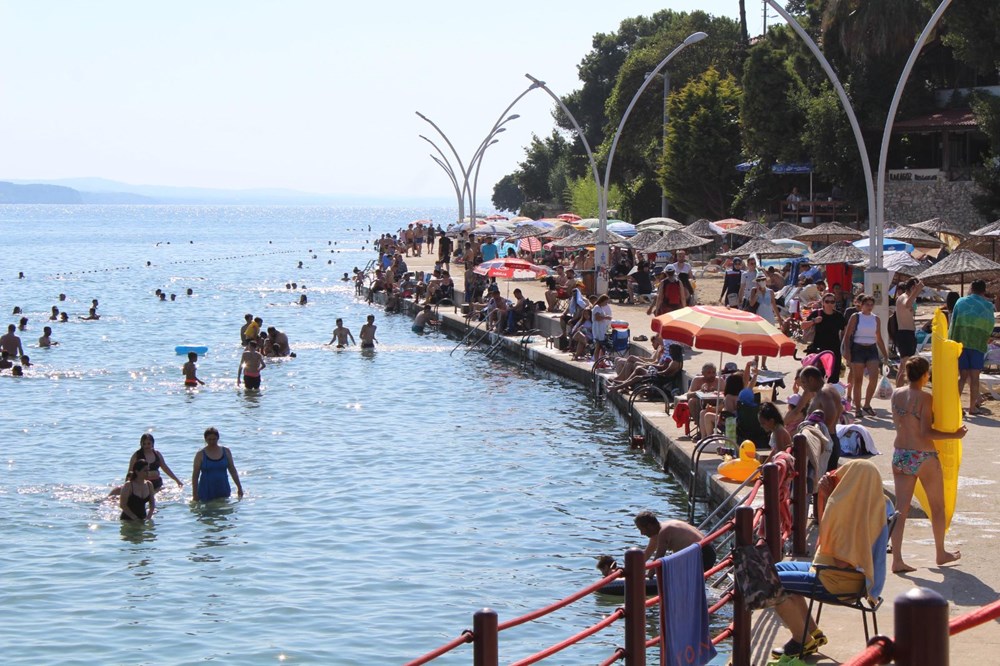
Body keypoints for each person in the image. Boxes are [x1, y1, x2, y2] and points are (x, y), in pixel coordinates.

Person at [769, 460, 888, 659]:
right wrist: (824, 496)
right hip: (842, 575)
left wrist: (827, 499)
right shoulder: (873, 504)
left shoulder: (848, 513)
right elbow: (828, 539)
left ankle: (802, 640)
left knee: (769, 581)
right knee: (778, 568)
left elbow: (841, 560)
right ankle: (812, 632)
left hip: (835, 581)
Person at [889, 356, 967, 573]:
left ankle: (897, 560)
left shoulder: (896, 394)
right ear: (925, 375)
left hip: (901, 454)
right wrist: (955, 435)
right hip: (923, 455)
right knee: (937, 507)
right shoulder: (925, 398)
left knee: (900, 510)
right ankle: (940, 553)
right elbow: (926, 432)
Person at [949, 279, 995, 415]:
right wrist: (984, 339)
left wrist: (952, 341)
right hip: (978, 344)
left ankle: (954, 407)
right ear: (984, 290)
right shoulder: (988, 306)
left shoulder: (960, 302)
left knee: (962, 376)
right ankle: (972, 408)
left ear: (971, 288)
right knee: (975, 377)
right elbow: (989, 326)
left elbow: (953, 322)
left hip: (961, 344)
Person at [842, 294, 889, 419]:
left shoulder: (876, 319)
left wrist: (885, 354)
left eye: (871, 304)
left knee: (873, 378)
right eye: (867, 304)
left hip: (872, 349)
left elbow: (878, 337)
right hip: (858, 348)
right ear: (861, 305)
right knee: (858, 381)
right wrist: (847, 351)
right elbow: (847, 336)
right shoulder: (855, 317)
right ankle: (857, 408)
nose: (869, 307)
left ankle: (867, 404)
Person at [789, 366, 843, 470]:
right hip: (829, 441)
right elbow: (840, 409)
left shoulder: (824, 393)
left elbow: (830, 416)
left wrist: (817, 437)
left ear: (811, 379)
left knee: (822, 482)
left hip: (826, 443)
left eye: (804, 382)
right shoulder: (828, 390)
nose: (803, 387)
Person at [634, 511, 715, 572]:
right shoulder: (660, 530)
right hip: (708, 548)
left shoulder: (664, 531)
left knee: (687, 583)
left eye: (641, 530)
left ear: (649, 526)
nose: (642, 533)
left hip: (703, 554)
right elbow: (647, 553)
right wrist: (633, 569)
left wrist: (649, 575)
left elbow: (658, 558)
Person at [802, 292, 846, 384]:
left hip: (834, 350)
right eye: (827, 301)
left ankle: (830, 396)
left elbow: (845, 331)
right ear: (823, 303)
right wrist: (814, 321)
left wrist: (846, 347)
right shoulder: (817, 313)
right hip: (818, 348)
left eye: (832, 302)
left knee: (833, 377)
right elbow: (803, 326)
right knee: (817, 376)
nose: (830, 304)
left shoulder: (838, 316)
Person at [191, 427, 243, 502]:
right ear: (205, 439)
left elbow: (232, 470)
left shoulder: (226, 451)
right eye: (209, 439)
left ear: (218, 438)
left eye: (214, 439)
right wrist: (195, 494)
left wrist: (239, 487)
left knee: (224, 510)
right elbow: (195, 476)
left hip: (223, 488)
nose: (212, 442)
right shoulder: (200, 454)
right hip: (206, 490)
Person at [749, 274, 782, 370]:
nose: (761, 282)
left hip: (769, 318)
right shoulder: (754, 291)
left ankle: (763, 363)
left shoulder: (770, 291)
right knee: (757, 340)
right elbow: (751, 303)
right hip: (758, 318)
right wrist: (757, 293)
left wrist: (779, 319)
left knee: (767, 341)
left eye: (763, 280)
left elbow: (774, 306)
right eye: (759, 280)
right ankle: (756, 360)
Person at [894, 278, 923, 386]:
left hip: (909, 334)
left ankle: (899, 390)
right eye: (916, 289)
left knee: (905, 366)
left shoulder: (909, 298)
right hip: (904, 334)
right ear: (912, 287)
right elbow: (907, 304)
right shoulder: (903, 297)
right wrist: (917, 291)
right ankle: (898, 392)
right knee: (904, 365)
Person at [591, 294, 613, 363]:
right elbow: (597, 318)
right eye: (606, 302)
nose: (606, 304)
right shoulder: (597, 307)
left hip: (601, 329)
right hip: (598, 329)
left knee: (601, 346)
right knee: (598, 346)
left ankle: (601, 361)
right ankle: (597, 361)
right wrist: (606, 317)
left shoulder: (600, 308)